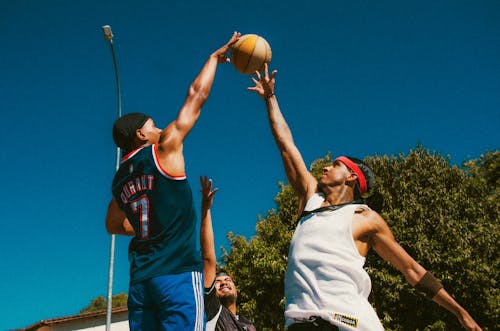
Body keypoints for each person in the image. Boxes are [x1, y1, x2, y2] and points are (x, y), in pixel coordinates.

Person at [247, 63, 482, 331]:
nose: (325, 167)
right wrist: (270, 99)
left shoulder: (365, 218)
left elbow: (413, 271)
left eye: (335, 164)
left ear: (351, 177)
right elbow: (286, 144)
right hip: (301, 322)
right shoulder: (310, 200)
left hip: (350, 323)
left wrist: (461, 313)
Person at [104, 32, 241, 331]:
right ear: (141, 135)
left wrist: (147, 227)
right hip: (176, 273)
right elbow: (196, 95)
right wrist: (213, 59)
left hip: (141, 282)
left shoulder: (119, 180)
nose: (160, 127)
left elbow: (112, 225)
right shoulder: (163, 149)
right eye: (153, 125)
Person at [200, 176, 257, 331]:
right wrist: (206, 209)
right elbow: (208, 259)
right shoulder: (213, 311)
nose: (224, 282)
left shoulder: (249, 324)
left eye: (228, 280)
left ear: (236, 290)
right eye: (218, 282)